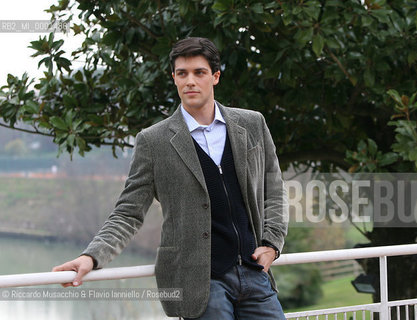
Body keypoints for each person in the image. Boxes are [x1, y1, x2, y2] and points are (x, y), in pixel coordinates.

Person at [52, 37, 288, 319]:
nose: (190, 81)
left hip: (254, 273)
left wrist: (272, 244)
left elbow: (274, 189)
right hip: (200, 283)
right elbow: (128, 212)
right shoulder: (154, 141)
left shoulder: (252, 124)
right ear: (174, 78)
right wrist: (91, 257)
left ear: (215, 77)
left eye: (199, 73)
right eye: (182, 73)